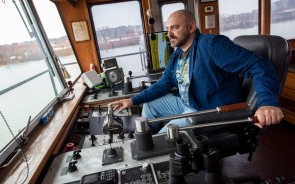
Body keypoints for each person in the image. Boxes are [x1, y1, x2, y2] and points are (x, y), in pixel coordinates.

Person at [109, 9, 283, 133]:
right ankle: (148, 138)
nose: (169, 33)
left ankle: (158, 146)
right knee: (150, 106)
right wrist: (132, 100)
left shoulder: (212, 44)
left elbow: (259, 65)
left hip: (209, 109)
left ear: (191, 27)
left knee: (168, 135)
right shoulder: (177, 55)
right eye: (168, 28)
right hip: (188, 102)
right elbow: (163, 84)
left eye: (175, 27)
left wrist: (267, 103)